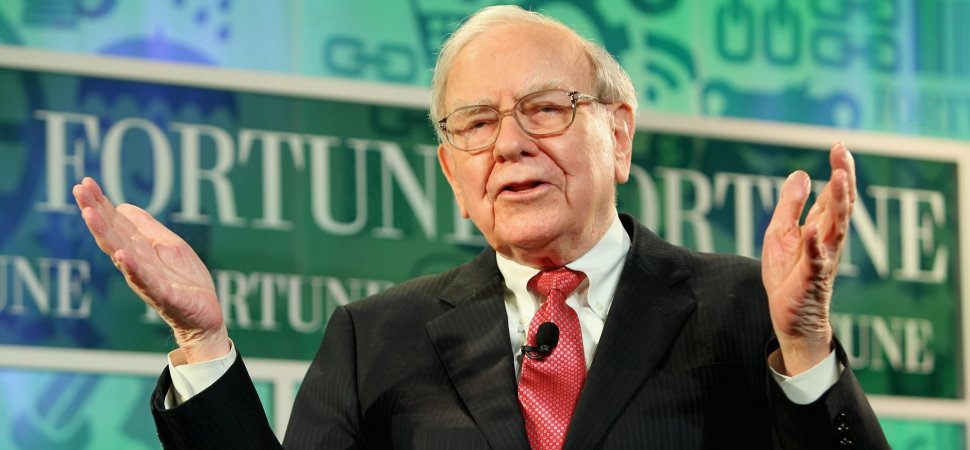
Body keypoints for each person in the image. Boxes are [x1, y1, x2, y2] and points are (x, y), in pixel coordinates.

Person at [73, 5, 889, 449]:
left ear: (621, 133)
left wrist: (809, 348)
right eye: (475, 123)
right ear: (451, 173)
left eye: (544, 108)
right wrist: (200, 340)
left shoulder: (748, 308)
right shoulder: (375, 338)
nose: (509, 144)